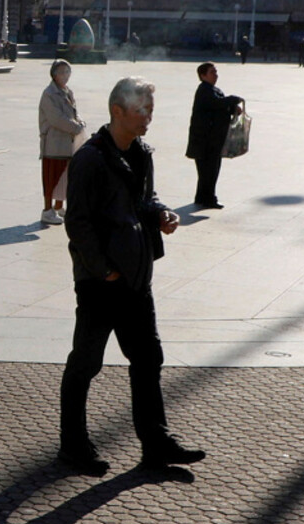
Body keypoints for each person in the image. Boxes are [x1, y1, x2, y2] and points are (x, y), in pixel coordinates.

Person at [58, 76, 204, 476]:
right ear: (117, 111)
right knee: (86, 363)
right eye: (141, 111)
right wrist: (103, 270)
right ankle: (72, 446)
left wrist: (161, 214)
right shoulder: (89, 159)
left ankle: (155, 445)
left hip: (137, 277)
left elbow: (144, 200)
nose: (148, 118)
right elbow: (78, 223)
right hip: (100, 284)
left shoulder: (141, 153)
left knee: (148, 357)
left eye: (151, 110)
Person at [185, 62, 244, 209]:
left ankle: (202, 197)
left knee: (208, 170)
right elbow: (216, 103)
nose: (216, 75)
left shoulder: (212, 90)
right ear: (203, 75)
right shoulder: (204, 91)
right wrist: (233, 99)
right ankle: (208, 199)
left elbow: (218, 108)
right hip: (205, 140)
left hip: (211, 139)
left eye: (216, 72)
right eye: (212, 72)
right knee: (209, 171)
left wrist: (233, 109)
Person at [38, 60, 86, 226]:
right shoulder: (49, 94)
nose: (65, 75)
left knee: (64, 177)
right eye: (61, 72)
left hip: (67, 141)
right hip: (54, 142)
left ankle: (59, 206)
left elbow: (74, 113)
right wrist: (75, 127)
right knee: (51, 177)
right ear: (53, 75)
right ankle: (47, 211)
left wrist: (80, 122)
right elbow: (56, 118)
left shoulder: (67, 91)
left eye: (67, 72)